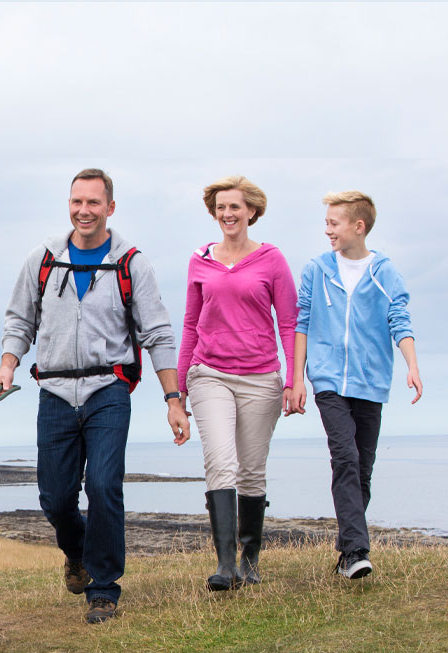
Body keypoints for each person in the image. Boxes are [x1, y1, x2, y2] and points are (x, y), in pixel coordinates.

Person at [0, 168, 189, 624]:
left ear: (110, 208)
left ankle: (103, 588)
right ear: (69, 205)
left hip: (109, 389)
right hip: (55, 391)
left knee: (103, 486)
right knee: (55, 498)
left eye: (94, 203)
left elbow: (158, 334)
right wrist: (7, 365)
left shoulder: (131, 263)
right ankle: (76, 552)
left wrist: (173, 399)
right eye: (77, 201)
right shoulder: (43, 259)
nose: (84, 210)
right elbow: (18, 320)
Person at [290, 191, 422, 579]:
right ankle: (357, 551)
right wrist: (297, 378)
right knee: (344, 457)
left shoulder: (385, 272)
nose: (327, 229)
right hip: (328, 379)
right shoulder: (317, 269)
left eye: (334, 223)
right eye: (327, 222)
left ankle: (346, 551)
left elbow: (401, 319)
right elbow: (302, 323)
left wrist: (411, 366)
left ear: (358, 226)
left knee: (362, 468)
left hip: (371, 382)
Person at [177, 175, 297, 591]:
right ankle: (225, 566)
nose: (228, 214)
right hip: (209, 373)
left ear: (251, 212)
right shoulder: (200, 261)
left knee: (250, 471)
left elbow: (289, 323)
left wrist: (292, 380)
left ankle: (250, 559)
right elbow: (190, 325)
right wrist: (178, 392)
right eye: (221, 208)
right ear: (214, 213)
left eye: (235, 207)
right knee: (220, 461)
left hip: (261, 378)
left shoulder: (272, 260)